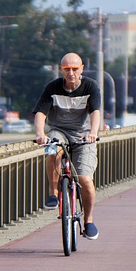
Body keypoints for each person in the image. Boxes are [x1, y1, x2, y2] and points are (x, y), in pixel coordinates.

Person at [33, 52, 102, 240]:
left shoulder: (90, 86)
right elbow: (40, 113)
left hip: (83, 136)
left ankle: (88, 220)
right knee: (52, 150)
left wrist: (93, 133)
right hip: (59, 131)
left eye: (74, 69)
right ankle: (53, 193)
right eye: (66, 69)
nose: (71, 73)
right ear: (61, 70)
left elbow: (95, 111)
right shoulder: (52, 87)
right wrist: (40, 134)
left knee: (85, 179)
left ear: (81, 69)